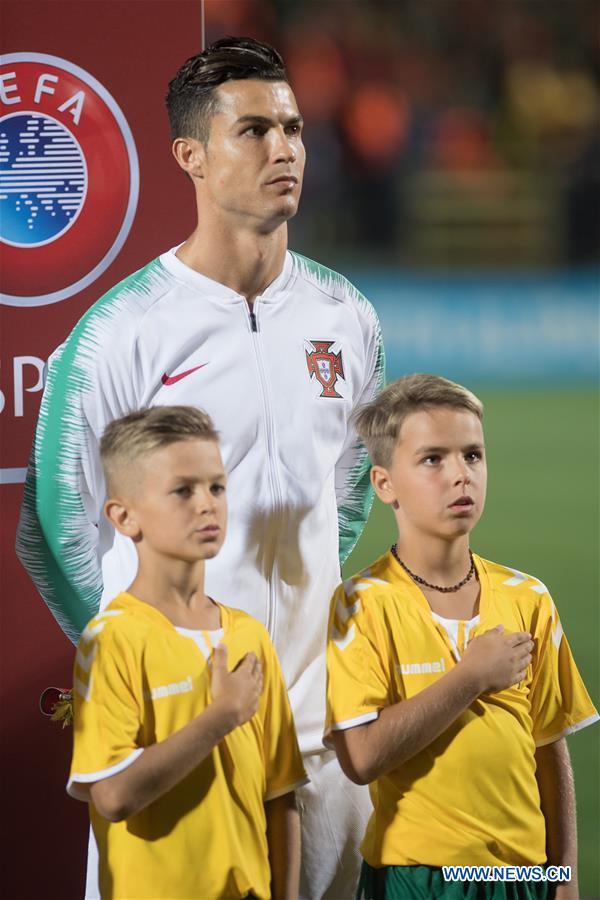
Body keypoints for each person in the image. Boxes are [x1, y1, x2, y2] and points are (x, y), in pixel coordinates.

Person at [16, 37, 383, 898]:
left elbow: (345, 496)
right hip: (177, 738)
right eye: (253, 130)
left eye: (292, 128)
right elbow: (55, 528)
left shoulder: (347, 315)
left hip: (318, 732)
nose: (284, 149)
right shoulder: (119, 332)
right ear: (191, 155)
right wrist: (156, 667)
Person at [325, 374, 599, 900]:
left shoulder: (528, 597)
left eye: (472, 455)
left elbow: (548, 744)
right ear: (384, 484)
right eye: (433, 460)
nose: (461, 475)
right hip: (416, 878)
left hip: (521, 879)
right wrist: (471, 677)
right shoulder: (363, 603)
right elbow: (360, 759)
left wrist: (564, 873)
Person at [68, 405, 305, 900]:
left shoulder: (248, 635)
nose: (207, 505)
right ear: (123, 517)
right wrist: (220, 717)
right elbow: (112, 796)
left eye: (217, 487)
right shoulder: (113, 638)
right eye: (183, 490)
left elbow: (280, 797)